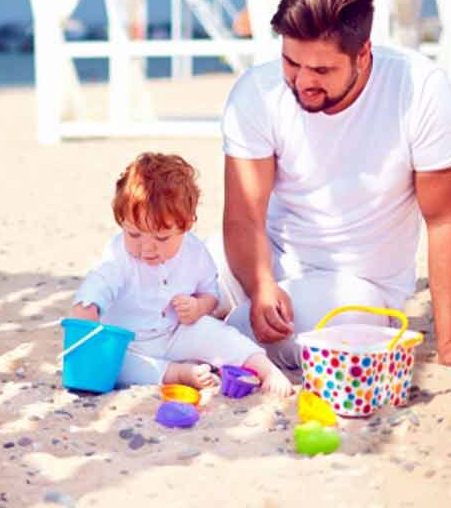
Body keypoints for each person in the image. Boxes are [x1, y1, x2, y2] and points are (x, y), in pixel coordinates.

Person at [219, 0, 451, 370]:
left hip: (359, 293)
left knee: (201, 328)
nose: (303, 81)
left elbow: (445, 220)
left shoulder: (422, 92)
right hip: (264, 265)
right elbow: (244, 216)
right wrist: (261, 284)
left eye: (322, 70)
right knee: (158, 270)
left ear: (363, 54)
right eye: (291, 62)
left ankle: (206, 335)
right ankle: (208, 329)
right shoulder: (257, 90)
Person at [70, 152, 292, 395]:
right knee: (116, 365)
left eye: (162, 237)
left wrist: (198, 307)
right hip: (129, 344)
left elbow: (210, 295)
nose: (147, 248)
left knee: (218, 334)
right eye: (134, 234)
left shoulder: (195, 252)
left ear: (186, 225)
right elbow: (99, 281)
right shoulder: (119, 256)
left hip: (176, 332)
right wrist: (87, 307)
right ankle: (177, 373)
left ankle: (265, 368)